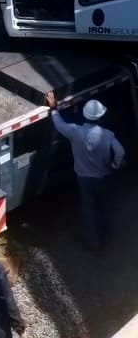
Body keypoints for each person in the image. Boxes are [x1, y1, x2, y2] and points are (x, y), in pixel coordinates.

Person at [46, 89, 125, 251]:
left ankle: (94, 244)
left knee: (89, 210)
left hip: (83, 178)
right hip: (102, 177)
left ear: (85, 115)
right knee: (104, 205)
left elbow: (59, 125)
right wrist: (116, 165)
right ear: (100, 116)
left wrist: (53, 107)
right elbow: (120, 152)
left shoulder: (75, 131)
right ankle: (107, 234)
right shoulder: (107, 135)